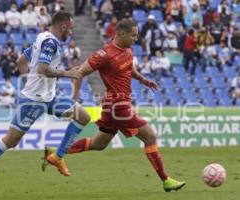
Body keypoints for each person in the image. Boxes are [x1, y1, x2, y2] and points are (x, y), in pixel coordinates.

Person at [43, 19, 186, 192]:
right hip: (118, 106)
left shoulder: (127, 50)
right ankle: (166, 180)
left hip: (115, 105)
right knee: (150, 137)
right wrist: (74, 97)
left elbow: (129, 68)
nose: (136, 38)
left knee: (99, 143)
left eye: (137, 35)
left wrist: (143, 79)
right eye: (133, 35)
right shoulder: (104, 54)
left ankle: (57, 152)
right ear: (121, 34)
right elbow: (79, 72)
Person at [0, 11, 90, 199]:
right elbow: (43, 69)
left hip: (48, 97)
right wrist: (68, 73)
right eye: (70, 28)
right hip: (34, 101)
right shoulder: (50, 42)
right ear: (63, 27)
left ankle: (58, 156)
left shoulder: (41, 38)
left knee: (83, 116)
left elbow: (21, 61)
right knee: (11, 141)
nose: (70, 32)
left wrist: (28, 83)